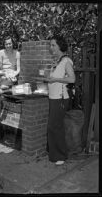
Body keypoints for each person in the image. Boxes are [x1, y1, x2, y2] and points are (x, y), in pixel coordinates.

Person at [45, 35, 76, 165]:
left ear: (60, 46)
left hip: (61, 98)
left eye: (53, 45)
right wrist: (48, 75)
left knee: (55, 126)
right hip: (53, 98)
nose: (51, 47)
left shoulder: (66, 61)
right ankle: (54, 152)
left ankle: (61, 156)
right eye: (50, 45)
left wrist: (55, 79)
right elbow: (51, 78)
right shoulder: (57, 61)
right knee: (54, 126)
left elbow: (72, 79)